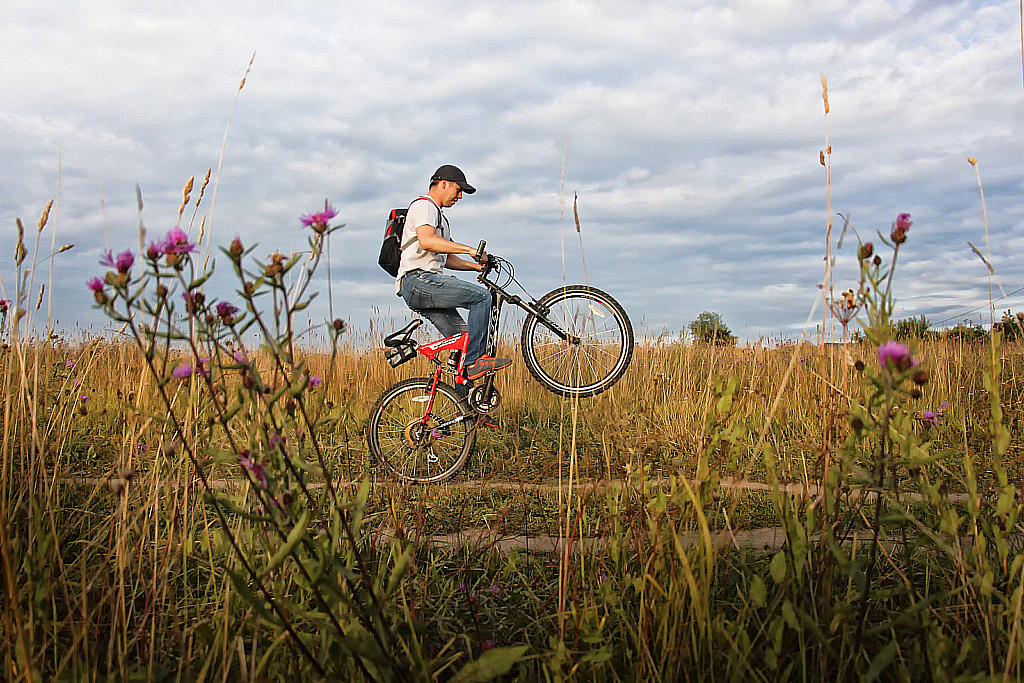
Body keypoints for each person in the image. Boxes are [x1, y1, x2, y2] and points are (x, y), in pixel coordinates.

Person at [395, 165, 511, 381]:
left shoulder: (439, 217)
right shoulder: (424, 206)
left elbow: (445, 258)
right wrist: (468, 249)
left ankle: (469, 411)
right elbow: (428, 241)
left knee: (464, 342)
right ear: (443, 184)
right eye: (458, 190)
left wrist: (475, 266)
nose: (459, 196)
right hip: (418, 281)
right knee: (481, 297)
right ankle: (477, 361)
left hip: (422, 286)